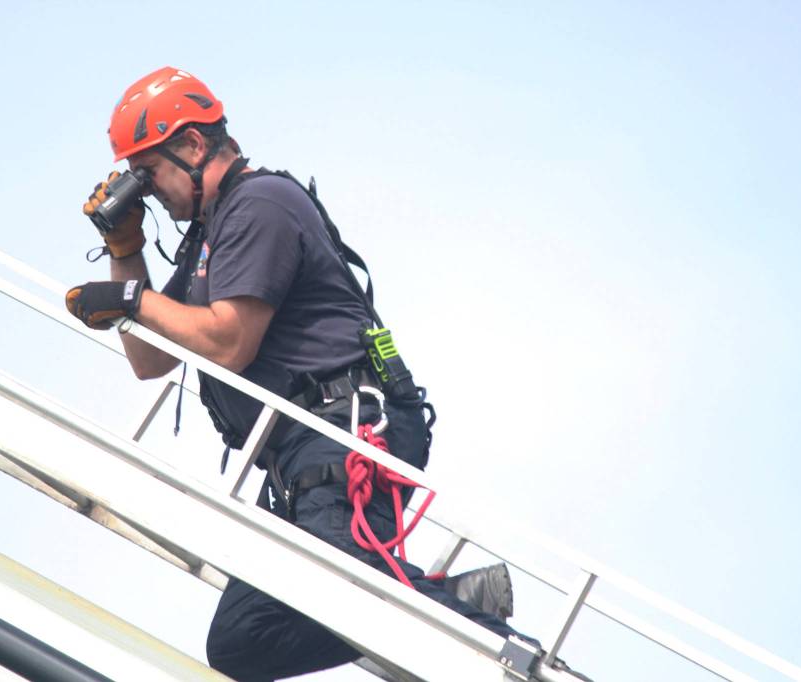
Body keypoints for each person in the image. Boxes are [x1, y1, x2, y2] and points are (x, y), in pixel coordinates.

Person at [65, 66, 533, 681]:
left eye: (149, 172)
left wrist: (129, 301)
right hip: (292, 455)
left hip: (342, 432)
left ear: (193, 145)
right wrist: (127, 250)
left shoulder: (258, 203)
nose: (149, 191)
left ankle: (503, 654)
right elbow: (149, 360)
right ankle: (449, 601)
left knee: (349, 588)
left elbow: (228, 342)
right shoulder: (210, 236)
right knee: (242, 643)